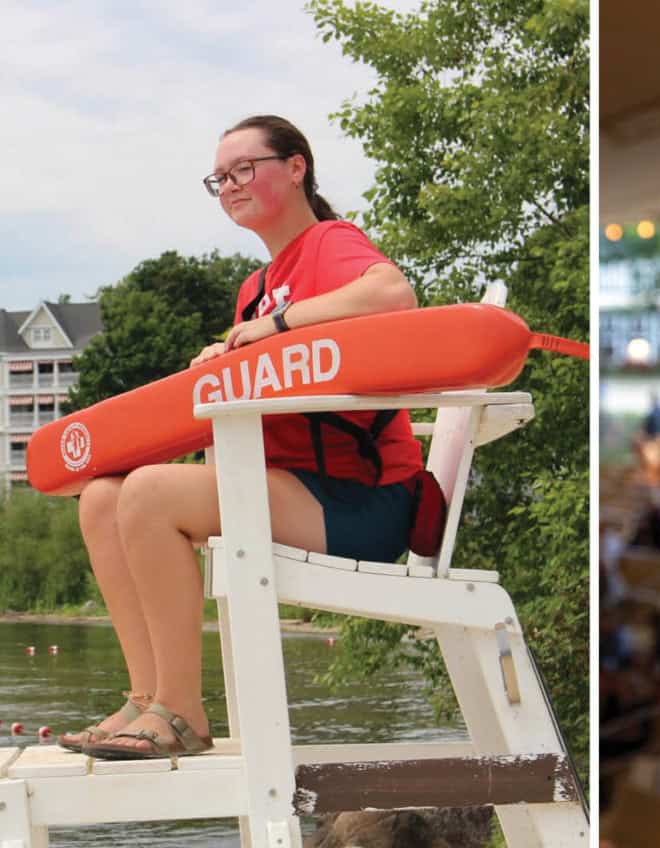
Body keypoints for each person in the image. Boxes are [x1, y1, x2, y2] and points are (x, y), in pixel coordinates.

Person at [59, 115, 421, 760]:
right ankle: (147, 699)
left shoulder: (329, 242)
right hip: (283, 488)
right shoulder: (253, 289)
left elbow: (395, 293)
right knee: (102, 498)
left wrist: (278, 324)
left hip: (361, 501)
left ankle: (183, 713)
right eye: (218, 178)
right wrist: (226, 361)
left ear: (296, 167)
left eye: (243, 169)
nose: (228, 185)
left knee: (148, 493)